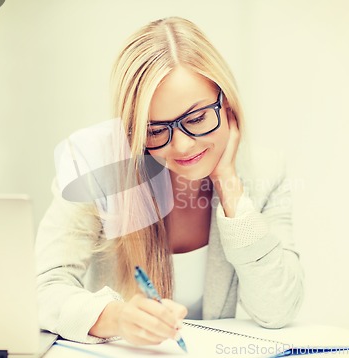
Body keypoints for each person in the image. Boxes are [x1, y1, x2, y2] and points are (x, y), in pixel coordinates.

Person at [36, 16, 304, 346]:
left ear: (227, 104)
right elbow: (43, 287)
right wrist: (115, 317)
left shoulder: (266, 171)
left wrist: (230, 187)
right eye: (155, 130)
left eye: (197, 118)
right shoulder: (94, 169)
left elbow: (278, 309)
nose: (182, 145)